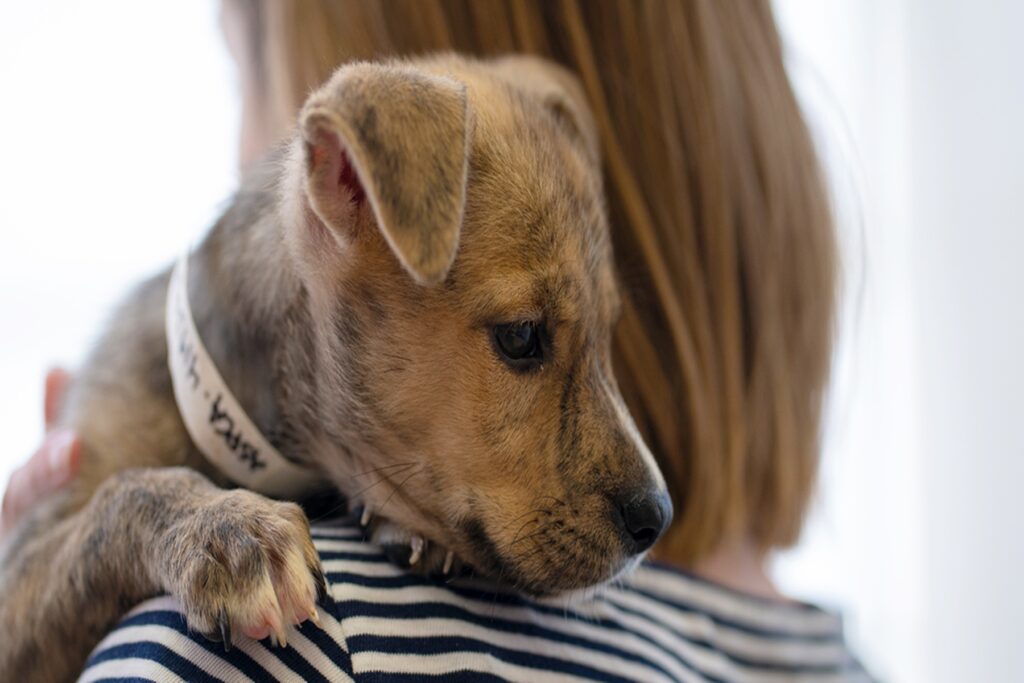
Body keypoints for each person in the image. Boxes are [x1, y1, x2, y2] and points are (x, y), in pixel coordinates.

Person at [3, 1, 871, 680]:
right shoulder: (846, 663)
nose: (245, 148)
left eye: (245, 73)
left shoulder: (267, 653)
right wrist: (122, 524)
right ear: (345, 176)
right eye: (527, 341)